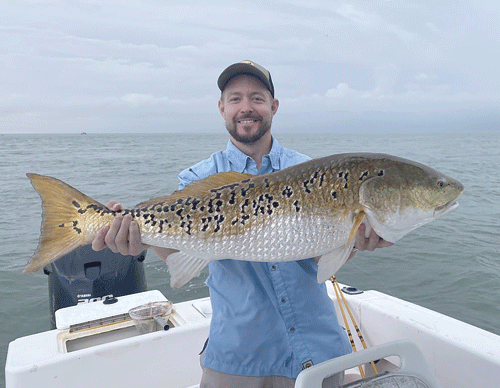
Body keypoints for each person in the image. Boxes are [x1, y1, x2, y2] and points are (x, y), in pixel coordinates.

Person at [92, 60, 393, 387]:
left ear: (274, 107)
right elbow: (178, 248)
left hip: (319, 351)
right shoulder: (198, 178)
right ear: (221, 108)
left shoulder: (313, 171)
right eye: (235, 99)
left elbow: (321, 258)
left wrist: (353, 242)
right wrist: (136, 238)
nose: (246, 108)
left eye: (257, 98)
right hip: (238, 358)